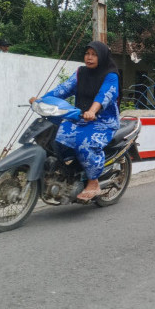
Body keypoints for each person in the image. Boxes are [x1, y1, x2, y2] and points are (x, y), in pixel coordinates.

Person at [29, 41, 120, 201]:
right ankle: (70, 170)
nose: (89, 58)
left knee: (84, 143)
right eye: (87, 54)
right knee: (58, 138)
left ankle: (93, 182)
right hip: (79, 116)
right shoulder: (81, 72)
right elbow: (63, 89)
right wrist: (42, 100)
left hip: (103, 120)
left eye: (94, 54)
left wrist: (92, 111)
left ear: (102, 57)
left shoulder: (110, 75)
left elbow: (105, 95)